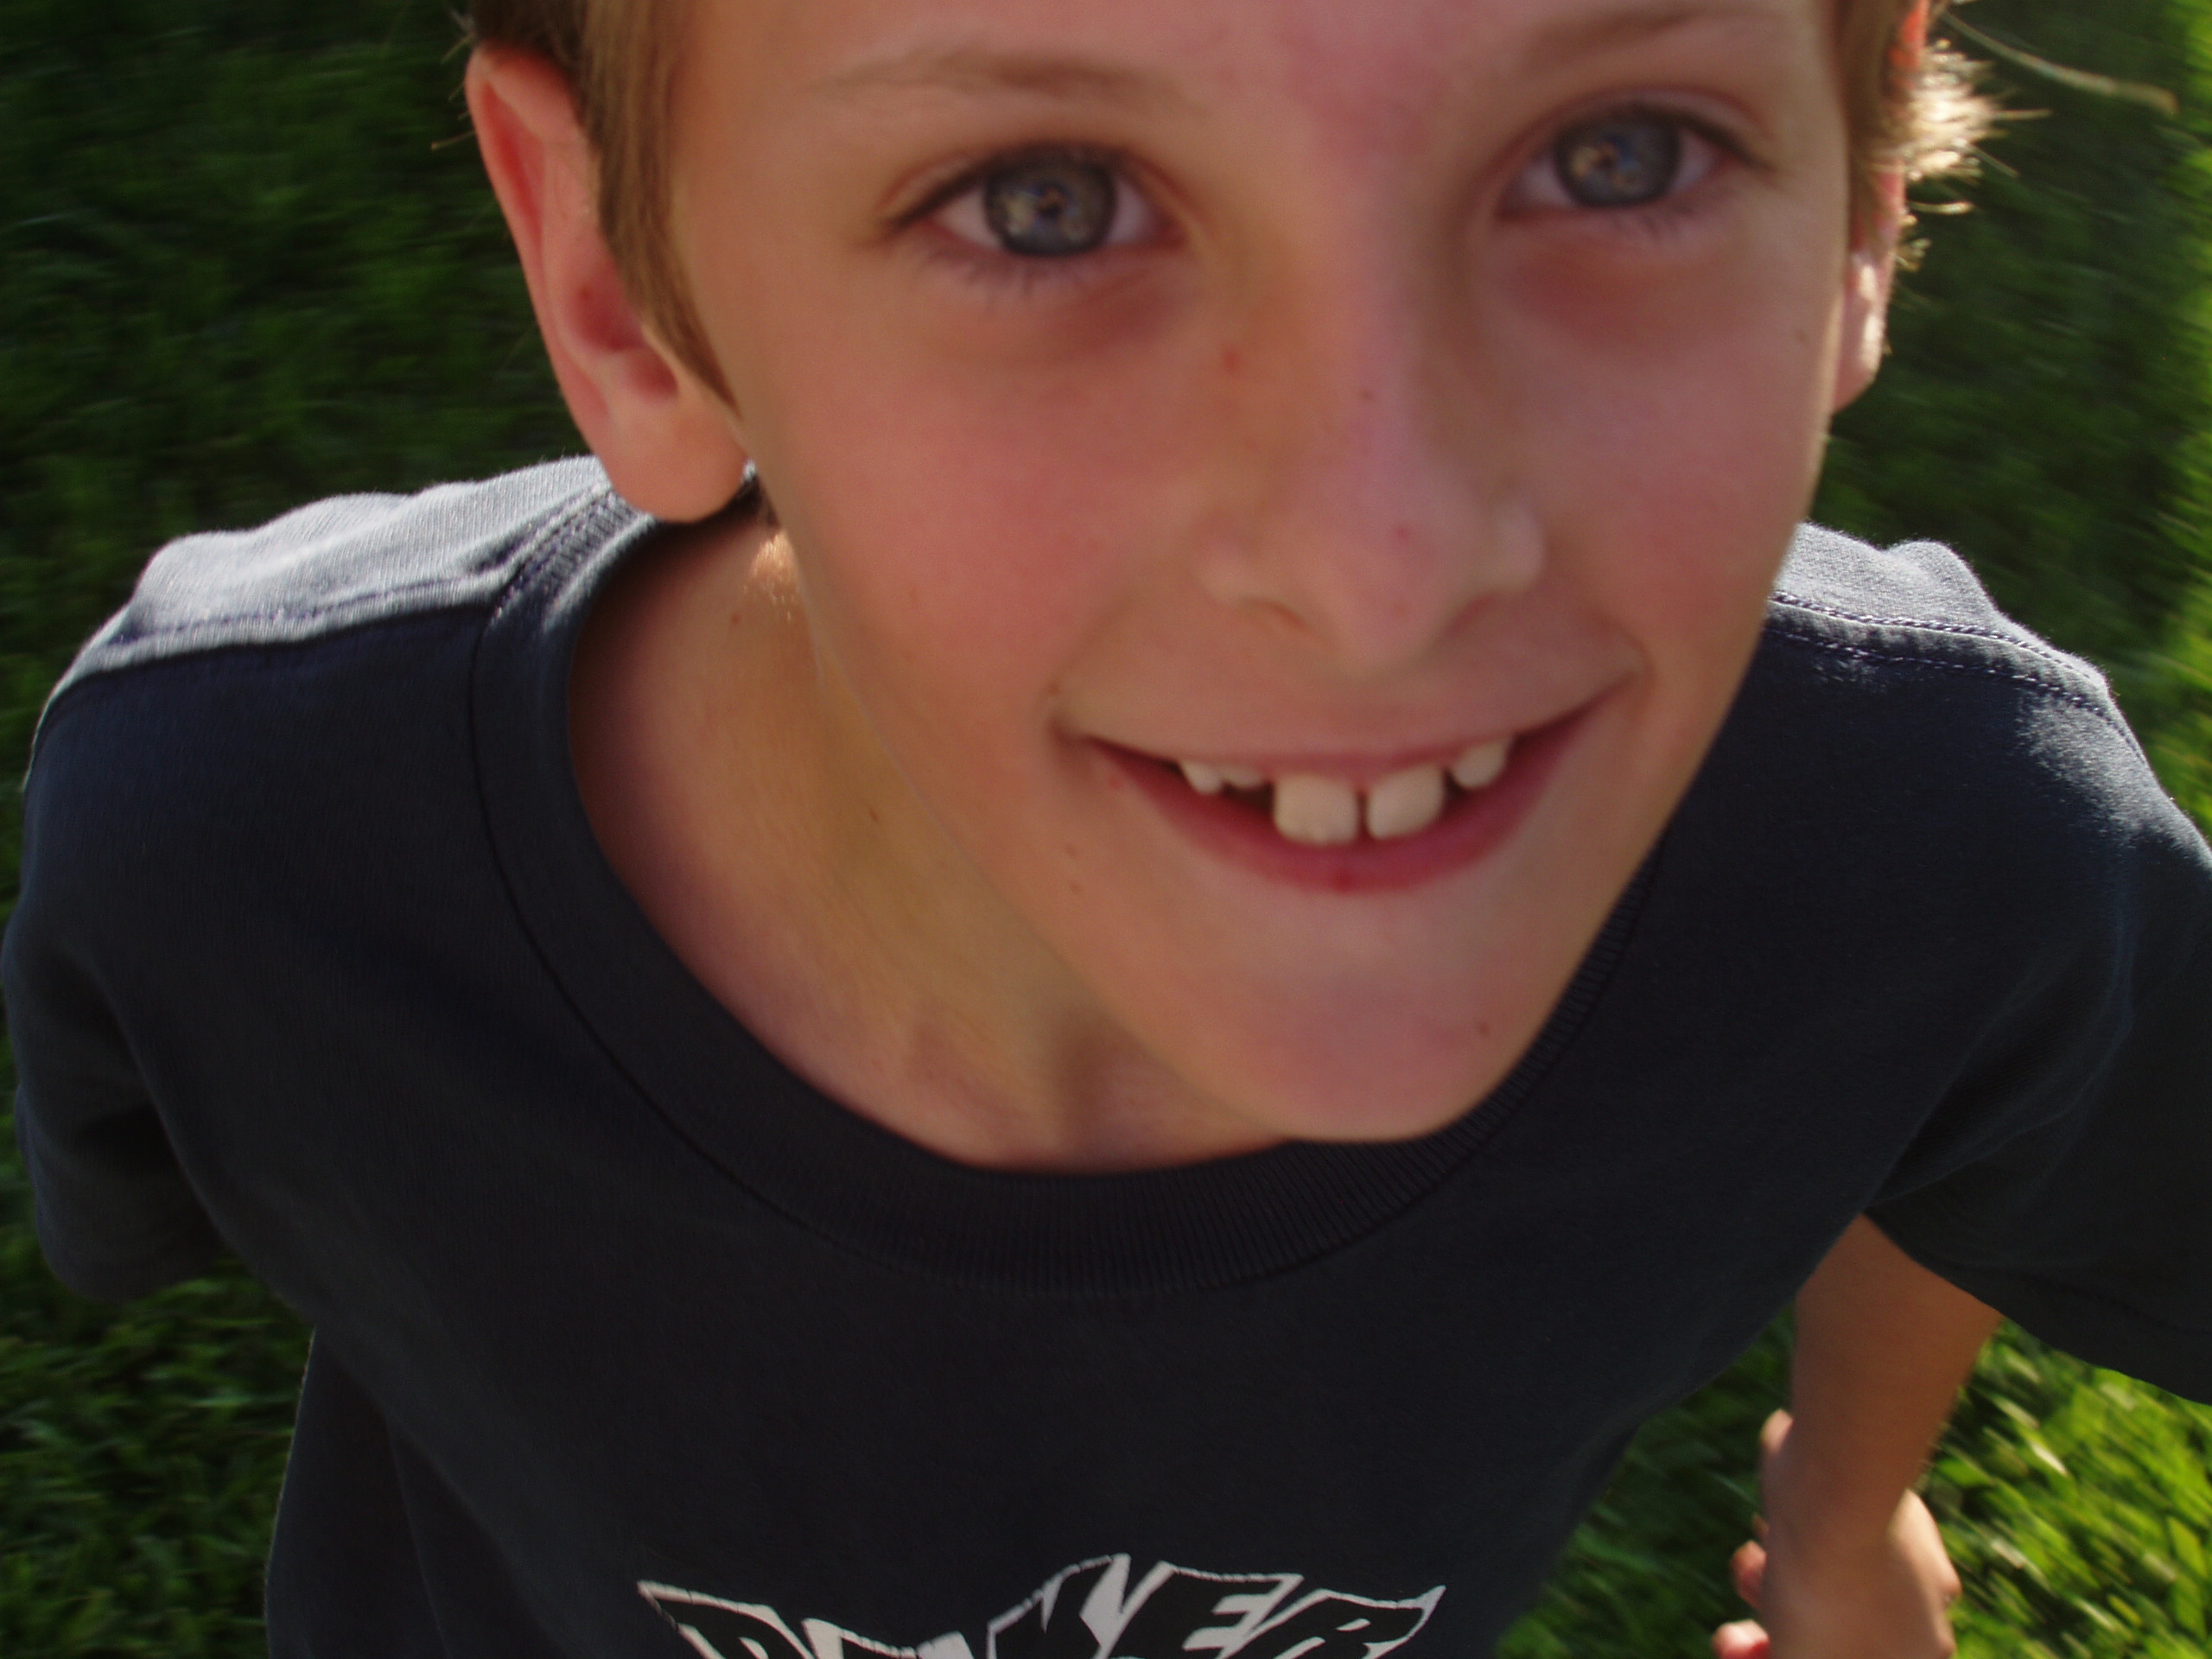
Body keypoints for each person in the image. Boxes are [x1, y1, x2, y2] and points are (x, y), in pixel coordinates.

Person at [8, 0, 2209, 1655]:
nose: (1381, 569)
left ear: (1857, 195)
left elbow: (1947, 1089)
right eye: (1039, 201)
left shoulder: (1937, 846)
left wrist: (1840, 1509)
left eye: (1616, 155)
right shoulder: (253, 844)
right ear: (615, 284)